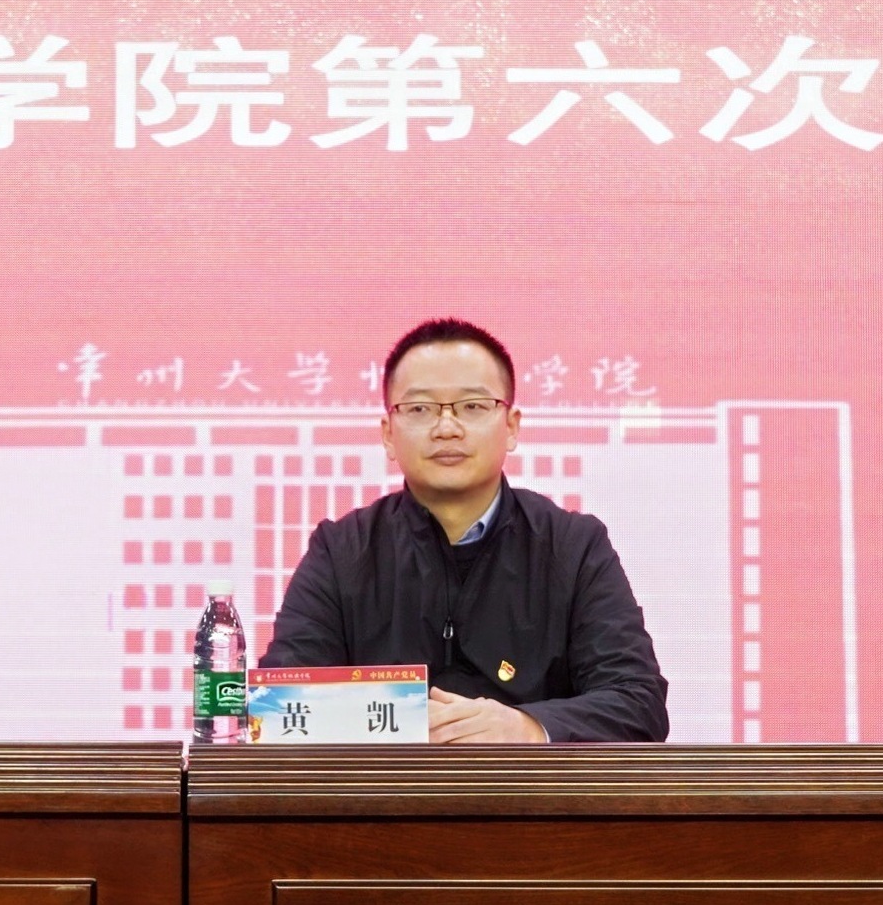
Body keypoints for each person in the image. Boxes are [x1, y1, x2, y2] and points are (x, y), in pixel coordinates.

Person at [259, 318, 668, 743]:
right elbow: (278, 707)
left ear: (511, 426)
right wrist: (405, 726)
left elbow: (638, 702)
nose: (447, 428)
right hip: (390, 786)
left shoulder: (572, 546)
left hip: (527, 787)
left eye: (473, 406)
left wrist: (528, 728)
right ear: (388, 434)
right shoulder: (342, 551)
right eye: (420, 409)